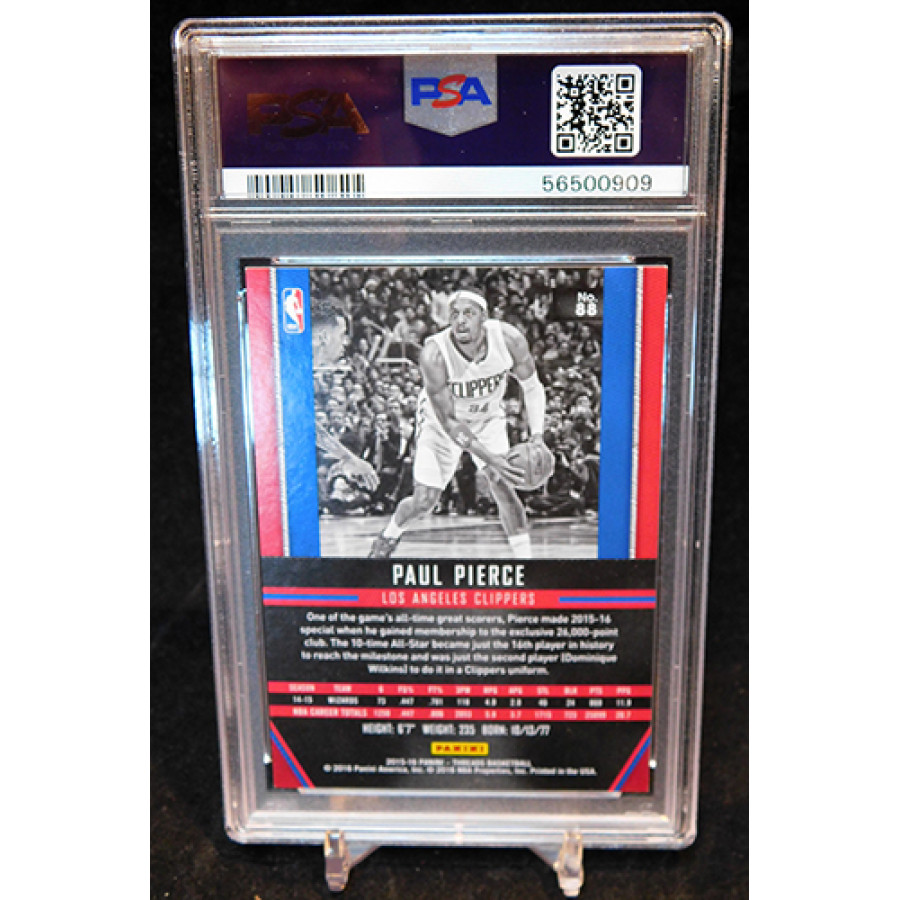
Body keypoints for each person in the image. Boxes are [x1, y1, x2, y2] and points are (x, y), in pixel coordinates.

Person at [369, 289, 547, 559]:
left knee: (502, 486)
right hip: (441, 423)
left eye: (468, 313)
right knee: (424, 501)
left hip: (487, 418)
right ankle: (389, 536)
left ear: (484, 318)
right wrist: (491, 458)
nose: (460, 320)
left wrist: (537, 436)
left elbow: (532, 387)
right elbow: (450, 423)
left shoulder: (509, 339)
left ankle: (526, 561)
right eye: (454, 314)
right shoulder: (434, 354)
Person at [310, 298, 379, 492]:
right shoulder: (292, 365)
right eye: (342, 335)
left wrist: (346, 458)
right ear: (324, 337)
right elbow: (307, 427)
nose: (345, 342)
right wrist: (348, 458)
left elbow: (310, 427)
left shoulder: (300, 364)